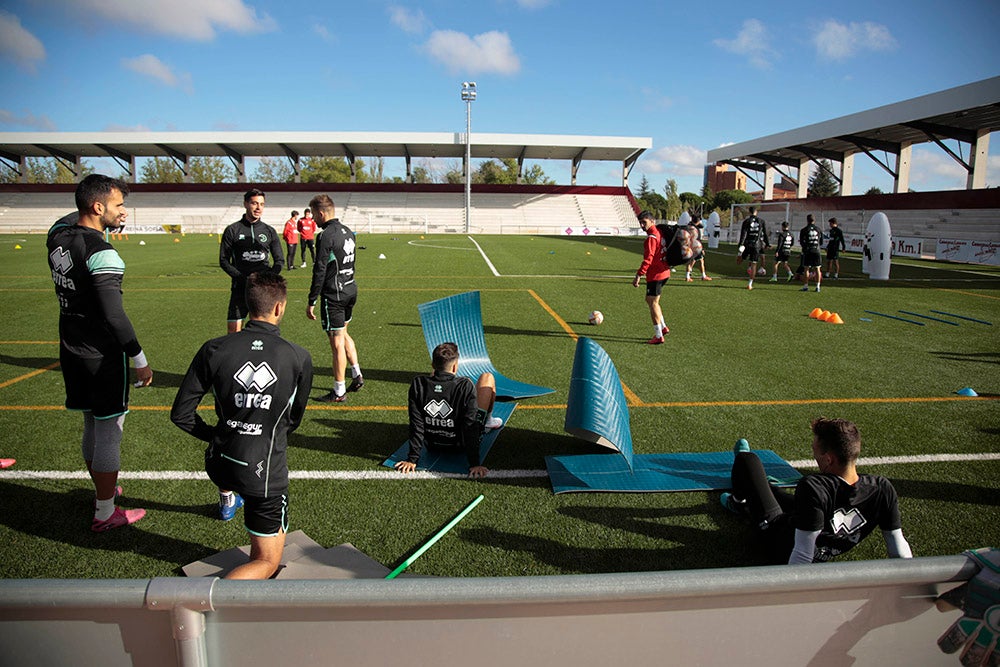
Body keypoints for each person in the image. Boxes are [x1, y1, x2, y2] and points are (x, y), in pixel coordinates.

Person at [171, 271, 313, 580]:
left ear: (247, 305)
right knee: (266, 562)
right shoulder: (299, 357)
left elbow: (181, 415)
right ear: (280, 307)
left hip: (219, 463)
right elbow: (293, 421)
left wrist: (220, 435)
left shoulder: (214, 348)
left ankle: (227, 501)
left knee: (238, 471)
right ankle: (210, 608)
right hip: (263, 472)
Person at [46, 174, 152, 532]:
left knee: (90, 421)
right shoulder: (103, 252)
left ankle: (103, 491)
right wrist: (139, 358)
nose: (123, 211)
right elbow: (114, 315)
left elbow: (65, 221)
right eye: (118, 205)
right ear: (97, 207)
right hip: (101, 353)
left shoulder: (57, 237)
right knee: (109, 429)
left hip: (70, 346)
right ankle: (106, 511)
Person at [721, 418, 913, 565]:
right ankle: (751, 493)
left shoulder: (814, 486)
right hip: (820, 534)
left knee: (748, 461)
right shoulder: (882, 488)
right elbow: (898, 545)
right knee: (773, 492)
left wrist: (791, 592)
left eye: (815, 450)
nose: (814, 455)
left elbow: (802, 553)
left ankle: (738, 503)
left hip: (778, 541)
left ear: (829, 459)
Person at [395, 342, 503, 479]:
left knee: (436, 376)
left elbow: (416, 423)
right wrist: (474, 463)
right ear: (455, 367)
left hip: (432, 444)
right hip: (460, 445)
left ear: (432, 364)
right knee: (487, 377)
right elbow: (470, 427)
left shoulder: (418, 384)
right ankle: (488, 421)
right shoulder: (465, 385)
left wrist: (412, 459)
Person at [306, 194, 364, 401]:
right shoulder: (348, 232)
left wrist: (312, 299)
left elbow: (320, 269)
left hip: (334, 294)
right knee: (344, 332)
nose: (312, 219)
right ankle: (356, 374)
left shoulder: (325, 235)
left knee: (336, 341)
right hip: (350, 288)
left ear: (321, 213)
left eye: (313, 214)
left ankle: (339, 391)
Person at [219, 188, 283, 334]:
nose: (258, 208)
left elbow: (279, 261)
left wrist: (266, 280)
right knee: (233, 333)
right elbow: (223, 260)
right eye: (254, 203)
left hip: (263, 290)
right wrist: (243, 279)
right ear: (246, 204)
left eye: (261, 204)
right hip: (240, 288)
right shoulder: (233, 230)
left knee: (266, 331)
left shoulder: (269, 231)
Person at [632, 210, 671, 344]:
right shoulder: (659, 232)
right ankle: (664, 327)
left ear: (652, 221)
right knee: (651, 301)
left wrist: (638, 275)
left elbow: (648, 259)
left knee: (653, 302)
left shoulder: (651, 238)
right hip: (665, 272)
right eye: (641, 223)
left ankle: (659, 335)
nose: (642, 225)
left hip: (656, 274)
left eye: (645, 222)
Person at [736, 206, 769, 290]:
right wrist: (767, 244)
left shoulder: (746, 221)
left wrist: (740, 244)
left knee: (739, 261)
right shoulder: (761, 221)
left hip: (747, 244)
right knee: (754, 264)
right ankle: (750, 284)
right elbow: (765, 234)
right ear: (756, 212)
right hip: (756, 245)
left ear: (749, 212)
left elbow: (743, 234)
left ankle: (740, 255)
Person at [799, 214, 824, 292]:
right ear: (814, 220)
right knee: (817, 268)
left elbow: (801, 242)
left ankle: (806, 286)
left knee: (806, 268)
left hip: (808, 250)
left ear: (807, 220)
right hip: (816, 250)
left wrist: (805, 248)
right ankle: (818, 287)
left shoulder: (804, 230)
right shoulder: (818, 229)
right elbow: (821, 242)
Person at [684, 213, 712, 282]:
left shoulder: (688, 226)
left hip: (688, 246)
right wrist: (701, 249)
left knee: (690, 261)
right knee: (701, 260)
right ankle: (703, 276)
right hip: (696, 247)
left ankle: (687, 276)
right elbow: (697, 239)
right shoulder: (696, 229)